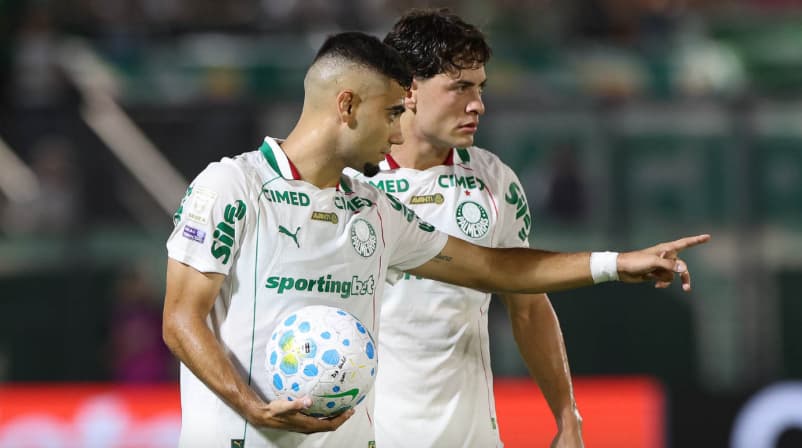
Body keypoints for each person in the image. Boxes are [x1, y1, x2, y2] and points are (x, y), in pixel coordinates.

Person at [162, 31, 708, 448]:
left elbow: (495, 269)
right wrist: (250, 406)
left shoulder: (375, 209)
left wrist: (616, 264)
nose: (398, 130)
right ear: (348, 106)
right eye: (391, 113)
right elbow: (180, 319)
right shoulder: (231, 186)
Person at [347, 9, 583, 447]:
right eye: (460, 87)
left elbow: (529, 307)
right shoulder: (349, 183)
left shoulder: (495, 180)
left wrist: (567, 415)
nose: (478, 104)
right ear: (409, 89)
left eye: (480, 87)